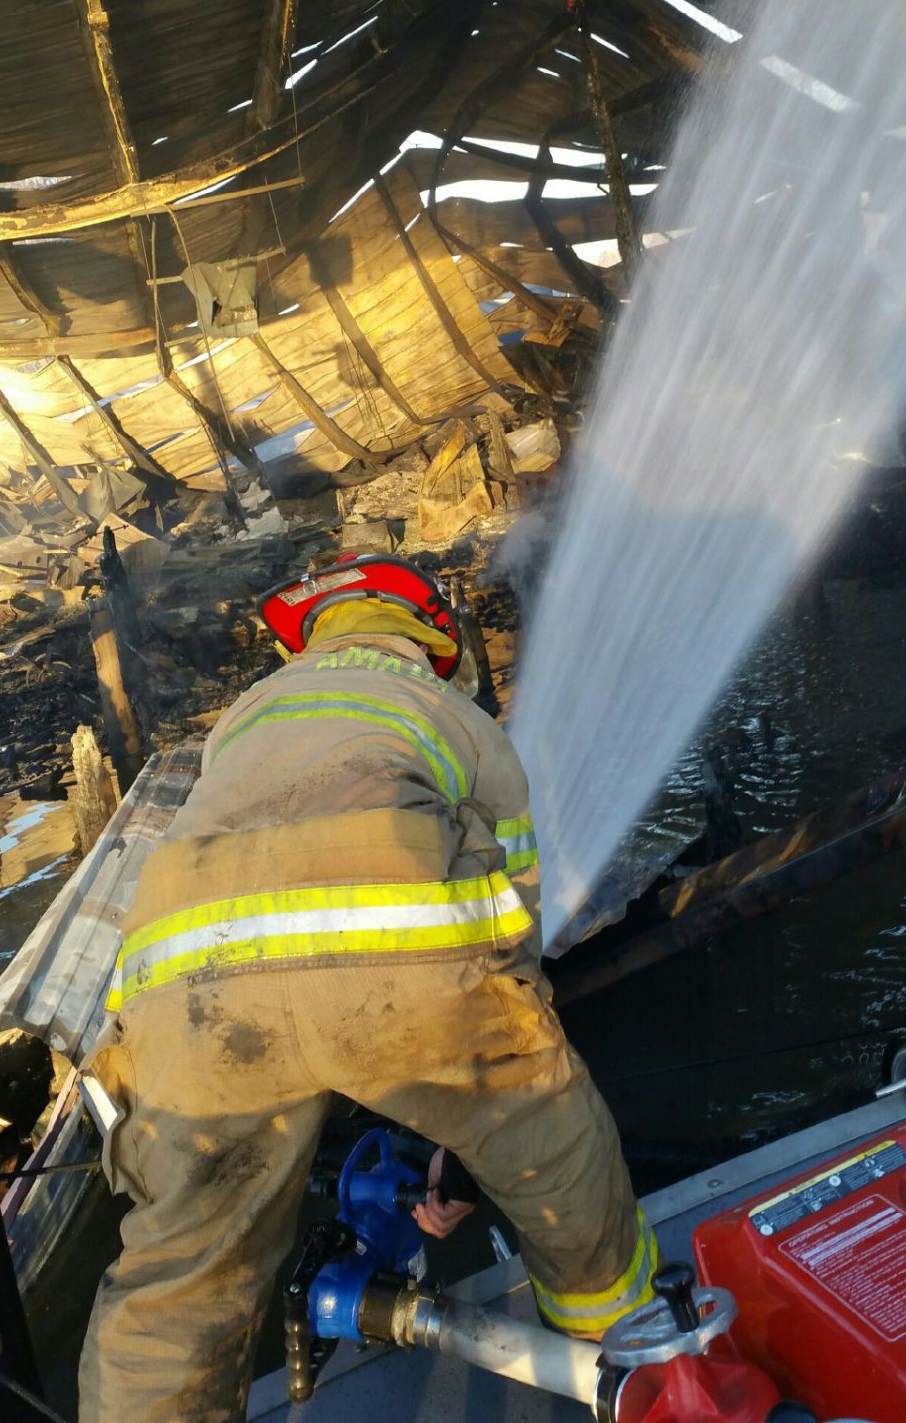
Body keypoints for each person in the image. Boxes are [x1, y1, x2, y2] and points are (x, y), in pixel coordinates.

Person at [79, 553, 656, 1423]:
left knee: (182, 1277)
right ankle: (635, 1369)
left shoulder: (246, 717)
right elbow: (511, 943)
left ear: (313, 640)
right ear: (431, 638)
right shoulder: (447, 711)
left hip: (187, 983)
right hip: (405, 966)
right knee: (563, 1163)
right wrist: (471, 1141)